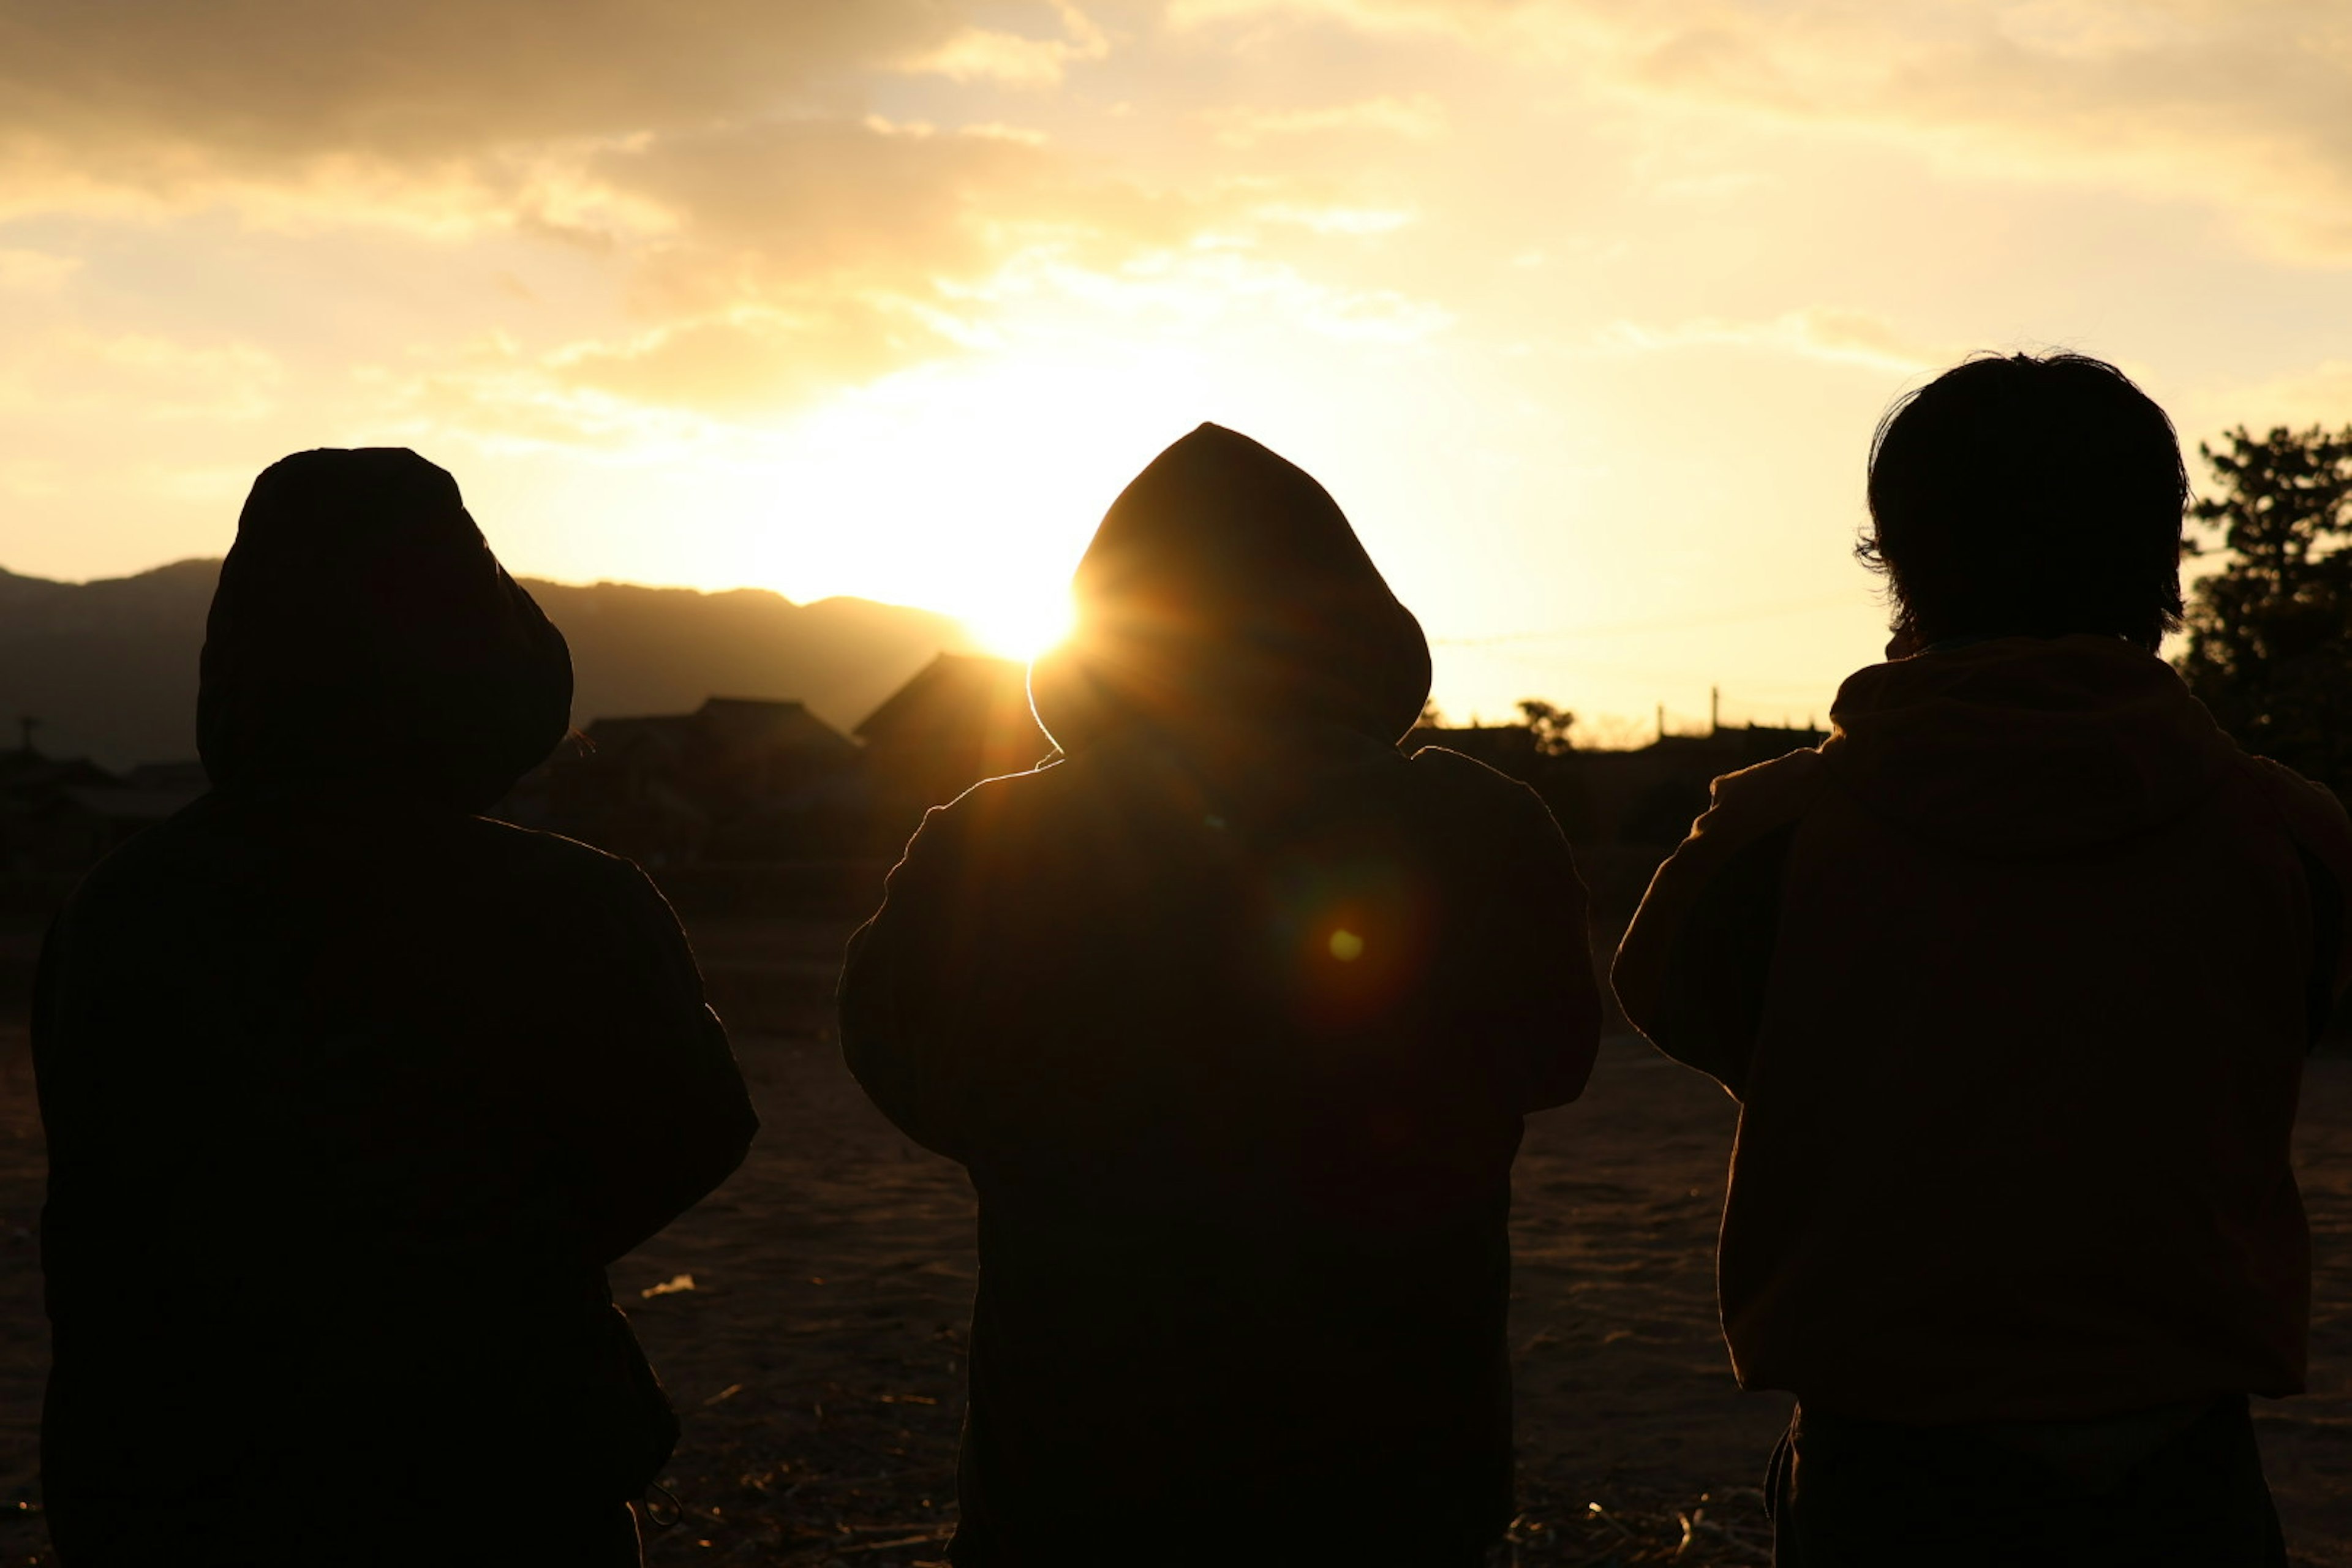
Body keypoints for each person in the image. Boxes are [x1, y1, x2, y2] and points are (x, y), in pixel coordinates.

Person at [1613, 353, 2352, 1566]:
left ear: (1897, 556)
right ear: (2163, 554)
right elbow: (2296, 1008)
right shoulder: (2293, 838)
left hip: (1886, 1469)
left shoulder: (1766, 841)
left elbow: (1682, 1004)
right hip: (2182, 1469)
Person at [838, 423, 1601, 1566]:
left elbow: (891, 1046)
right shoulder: (1481, 830)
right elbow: (1555, 1057)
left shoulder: (996, 834)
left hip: (1078, 1440)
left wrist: (1051, 1148)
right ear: (1358, 627)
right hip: (1396, 1440)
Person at [34, 449, 757, 1566]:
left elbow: (109, 1166)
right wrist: (490, 1250)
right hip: (498, 1469)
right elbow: (694, 1128)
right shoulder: (570, 902)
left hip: (172, 1474)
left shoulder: (127, 904)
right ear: (491, 665)